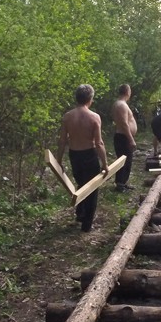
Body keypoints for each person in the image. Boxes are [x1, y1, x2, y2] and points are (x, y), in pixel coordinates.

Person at [57, 84, 108, 232]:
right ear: (90, 99)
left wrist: (59, 160)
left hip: (75, 155)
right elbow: (98, 143)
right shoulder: (94, 117)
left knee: (81, 184)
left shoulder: (67, 116)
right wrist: (105, 164)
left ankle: (80, 214)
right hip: (89, 155)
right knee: (91, 188)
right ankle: (86, 225)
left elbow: (62, 141)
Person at [111, 83, 137, 192]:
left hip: (123, 136)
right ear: (127, 92)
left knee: (127, 161)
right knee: (124, 161)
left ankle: (122, 183)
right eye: (130, 90)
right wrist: (131, 139)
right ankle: (120, 185)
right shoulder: (121, 105)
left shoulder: (120, 104)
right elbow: (124, 123)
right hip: (123, 137)